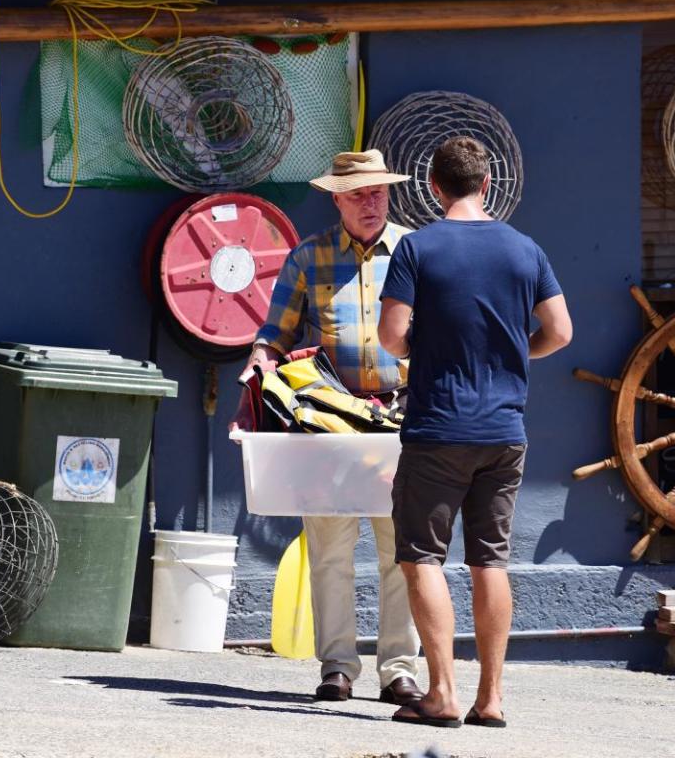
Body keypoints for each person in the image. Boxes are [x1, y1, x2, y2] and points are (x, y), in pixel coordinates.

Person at [377, 137, 573, 728]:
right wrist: (515, 354)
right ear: (486, 184)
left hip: (438, 426)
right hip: (505, 429)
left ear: (434, 188)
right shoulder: (525, 249)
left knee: (422, 558)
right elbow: (560, 331)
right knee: (490, 561)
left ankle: (442, 694)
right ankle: (492, 699)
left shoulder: (416, 247)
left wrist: (422, 349)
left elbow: (390, 336)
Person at [229, 149, 423, 706]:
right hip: (328, 420)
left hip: (401, 419)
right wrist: (259, 365)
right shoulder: (308, 256)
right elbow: (276, 334)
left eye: (378, 192)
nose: (370, 202)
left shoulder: (415, 252)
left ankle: (399, 671)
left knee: (401, 551)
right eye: (358, 194)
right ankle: (337, 667)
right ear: (336, 199)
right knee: (331, 549)